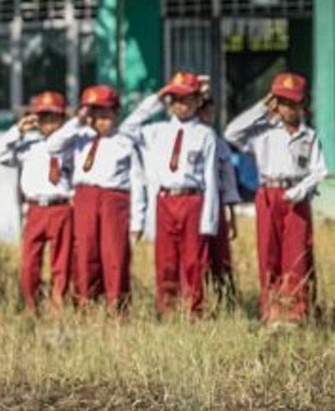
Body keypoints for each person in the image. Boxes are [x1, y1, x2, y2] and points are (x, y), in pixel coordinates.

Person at [224, 72, 328, 324]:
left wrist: (301, 190)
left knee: (296, 254)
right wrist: (261, 107)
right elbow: (231, 133)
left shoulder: (309, 136)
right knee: (268, 252)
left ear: (304, 104)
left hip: (296, 196)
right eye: (282, 102)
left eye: (294, 103)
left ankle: (295, 312)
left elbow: (320, 170)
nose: (288, 108)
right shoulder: (263, 133)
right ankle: (271, 310)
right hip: (268, 194)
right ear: (275, 103)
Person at [123, 72, 219, 316]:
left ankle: (194, 311)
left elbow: (210, 178)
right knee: (165, 259)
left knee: (192, 260)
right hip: (165, 200)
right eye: (174, 99)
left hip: (192, 199)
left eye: (186, 99)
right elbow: (127, 127)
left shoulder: (206, 134)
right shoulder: (156, 131)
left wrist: (209, 221)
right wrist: (156, 98)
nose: (180, 104)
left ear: (198, 101)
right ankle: (166, 309)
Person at [46, 85, 147, 311]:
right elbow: (52, 145)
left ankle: (117, 306)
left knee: (115, 254)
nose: (100, 120)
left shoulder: (125, 142)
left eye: (106, 113)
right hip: (85, 197)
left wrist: (138, 220)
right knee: (84, 252)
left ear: (116, 113)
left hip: (114, 199)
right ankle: (86, 303)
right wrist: (79, 120)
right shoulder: (80, 136)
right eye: (95, 114)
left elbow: (138, 183)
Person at [0, 91, 73, 312]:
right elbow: (1, 156)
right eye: (43, 118)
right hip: (36, 208)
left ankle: (59, 302)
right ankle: (31, 304)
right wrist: (19, 129)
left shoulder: (71, 146)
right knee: (30, 259)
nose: (49, 123)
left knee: (62, 259)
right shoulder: (29, 147)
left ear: (63, 119)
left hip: (61, 206)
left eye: (54, 117)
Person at [198, 97, 241, 306]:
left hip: (216, 205)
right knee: (197, 255)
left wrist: (232, 215)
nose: (209, 118)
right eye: (205, 113)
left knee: (220, 255)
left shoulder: (219, 143)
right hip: (193, 204)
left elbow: (229, 180)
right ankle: (196, 300)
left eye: (211, 114)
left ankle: (226, 300)